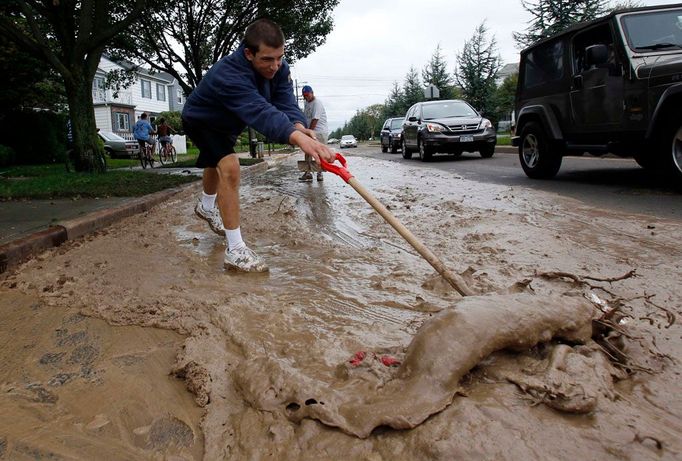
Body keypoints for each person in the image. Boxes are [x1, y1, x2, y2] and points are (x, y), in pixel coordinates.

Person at [181, 18, 335, 273]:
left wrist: (298, 126)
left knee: (214, 162)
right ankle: (236, 249)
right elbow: (261, 112)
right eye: (267, 59)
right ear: (248, 53)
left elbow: (283, 102)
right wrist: (297, 139)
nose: (275, 66)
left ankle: (206, 207)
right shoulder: (228, 74)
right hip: (202, 120)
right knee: (230, 167)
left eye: (279, 57)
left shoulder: (279, 67)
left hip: (229, 123)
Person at [299, 85, 329, 182]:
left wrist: (309, 132)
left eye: (307, 95)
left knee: (320, 153)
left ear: (312, 93)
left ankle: (319, 173)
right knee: (308, 152)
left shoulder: (317, 103)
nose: (306, 97)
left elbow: (315, 119)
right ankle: (308, 173)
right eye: (304, 96)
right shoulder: (306, 103)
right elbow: (305, 117)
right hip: (310, 130)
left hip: (319, 132)